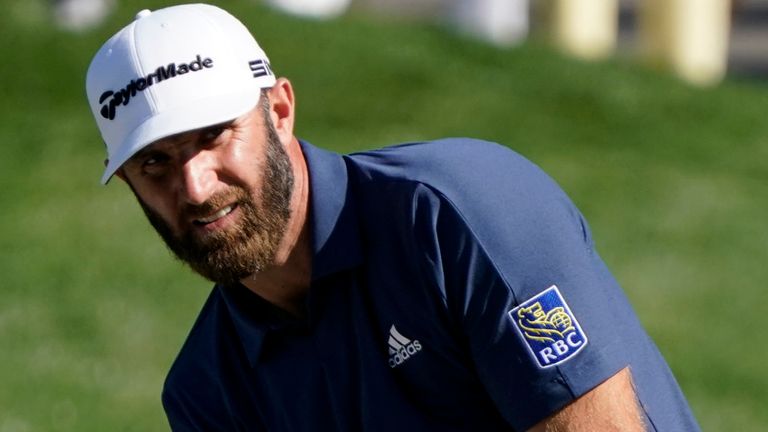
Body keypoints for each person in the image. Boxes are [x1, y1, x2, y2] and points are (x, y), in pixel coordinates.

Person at [85, 4, 700, 431]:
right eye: (154, 164)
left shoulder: (458, 213)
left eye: (215, 136)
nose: (194, 186)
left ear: (279, 109)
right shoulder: (206, 392)